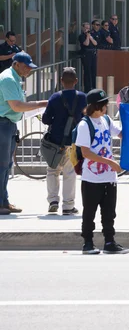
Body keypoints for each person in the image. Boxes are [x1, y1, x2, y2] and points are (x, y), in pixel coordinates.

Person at [75, 89, 129, 254]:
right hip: (91, 177)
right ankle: (88, 243)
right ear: (96, 106)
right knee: (89, 212)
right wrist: (110, 162)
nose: (106, 108)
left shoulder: (106, 120)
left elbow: (121, 134)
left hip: (109, 177)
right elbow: (86, 152)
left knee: (109, 213)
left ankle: (109, 242)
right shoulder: (85, 125)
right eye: (104, 105)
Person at [0, 52, 47, 215]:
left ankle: (4, 201)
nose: (29, 71)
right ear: (16, 64)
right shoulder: (8, 79)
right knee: (2, 165)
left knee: (6, 166)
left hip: (9, 124)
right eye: (26, 67)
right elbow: (16, 106)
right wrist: (41, 103)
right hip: (3, 124)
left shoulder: (14, 78)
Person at [41, 67, 87, 214]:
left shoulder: (54, 97)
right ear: (76, 81)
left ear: (61, 81)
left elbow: (46, 119)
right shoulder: (82, 97)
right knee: (70, 172)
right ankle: (68, 206)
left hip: (55, 142)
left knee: (52, 171)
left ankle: (53, 200)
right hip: (74, 142)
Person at [78, 22, 98, 92]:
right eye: (86, 28)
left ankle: (94, 86)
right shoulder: (81, 36)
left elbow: (95, 43)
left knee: (93, 71)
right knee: (87, 71)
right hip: (86, 54)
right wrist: (87, 36)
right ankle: (87, 88)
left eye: (88, 28)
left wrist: (90, 37)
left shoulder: (92, 35)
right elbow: (86, 44)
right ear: (83, 28)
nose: (87, 30)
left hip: (93, 53)